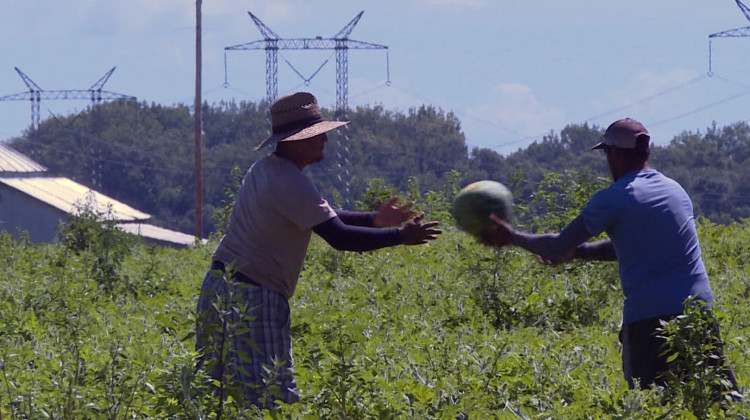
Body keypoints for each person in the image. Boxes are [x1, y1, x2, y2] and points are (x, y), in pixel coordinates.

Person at [195, 91, 441, 408]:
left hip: (220, 288)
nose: (324, 140)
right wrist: (400, 236)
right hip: (252, 298)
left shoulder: (265, 170)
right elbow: (339, 237)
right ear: (297, 140)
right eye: (318, 135)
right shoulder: (288, 181)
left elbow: (320, 213)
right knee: (272, 401)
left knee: (218, 395)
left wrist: (374, 219)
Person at [480, 118, 739, 393]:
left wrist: (511, 236)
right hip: (699, 312)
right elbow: (634, 245)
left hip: (652, 321)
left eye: (607, 154)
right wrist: (579, 252)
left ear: (614, 153)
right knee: (718, 399)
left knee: (651, 403)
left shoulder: (615, 197)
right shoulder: (675, 191)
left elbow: (556, 245)